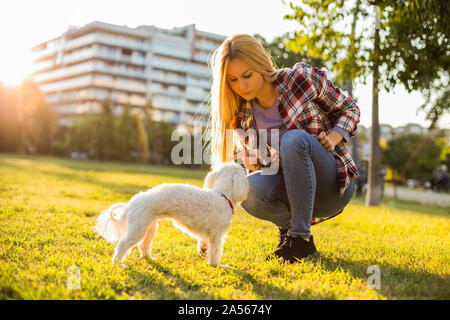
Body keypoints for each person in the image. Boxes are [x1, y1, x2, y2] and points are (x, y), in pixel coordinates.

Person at [208, 34, 360, 263]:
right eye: (233, 80)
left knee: (294, 139)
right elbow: (269, 166)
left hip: (332, 185)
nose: (242, 86)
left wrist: (335, 135)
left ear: (260, 64)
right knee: (247, 188)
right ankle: (292, 237)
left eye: (247, 75)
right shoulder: (242, 115)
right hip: (293, 191)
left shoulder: (300, 78)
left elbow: (350, 108)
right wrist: (255, 161)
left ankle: (299, 238)